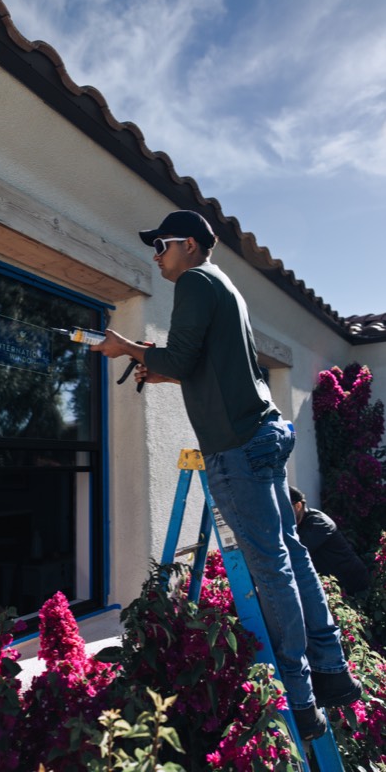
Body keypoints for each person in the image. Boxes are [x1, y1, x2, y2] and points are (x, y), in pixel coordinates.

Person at [91, 209, 361, 741]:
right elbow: (205, 364)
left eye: (162, 244)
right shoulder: (225, 288)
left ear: (190, 244)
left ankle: (302, 698)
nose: (156, 255)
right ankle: (332, 669)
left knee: (270, 568)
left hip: (236, 446)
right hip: (261, 432)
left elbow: (184, 356)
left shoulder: (193, 280)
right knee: (291, 553)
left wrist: (124, 347)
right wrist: (162, 367)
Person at [290, 486, 370, 596]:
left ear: (298, 506)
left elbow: (297, 550)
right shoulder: (298, 525)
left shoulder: (319, 522)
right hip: (335, 587)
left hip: (352, 585)